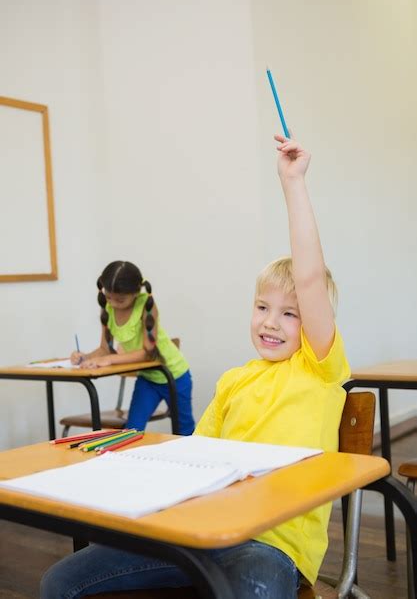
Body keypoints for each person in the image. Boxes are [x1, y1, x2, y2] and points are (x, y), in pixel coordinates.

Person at [41, 135, 350, 599]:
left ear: (314, 320)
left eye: (290, 313)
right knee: (61, 580)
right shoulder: (233, 380)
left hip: (271, 546)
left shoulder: (319, 370)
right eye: (262, 307)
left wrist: (292, 184)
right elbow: (193, 459)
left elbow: (308, 276)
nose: (270, 322)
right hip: (200, 535)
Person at [71, 260, 195, 435]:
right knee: (132, 430)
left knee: (184, 429)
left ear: (136, 292)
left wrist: (108, 359)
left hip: (174, 375)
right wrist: (85, 358)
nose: (113, 303)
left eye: (120, 300)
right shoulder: (108, 309)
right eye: (108, 297)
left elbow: (148, 354)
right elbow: (105, 350)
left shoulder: (146, 306)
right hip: (148, 379)